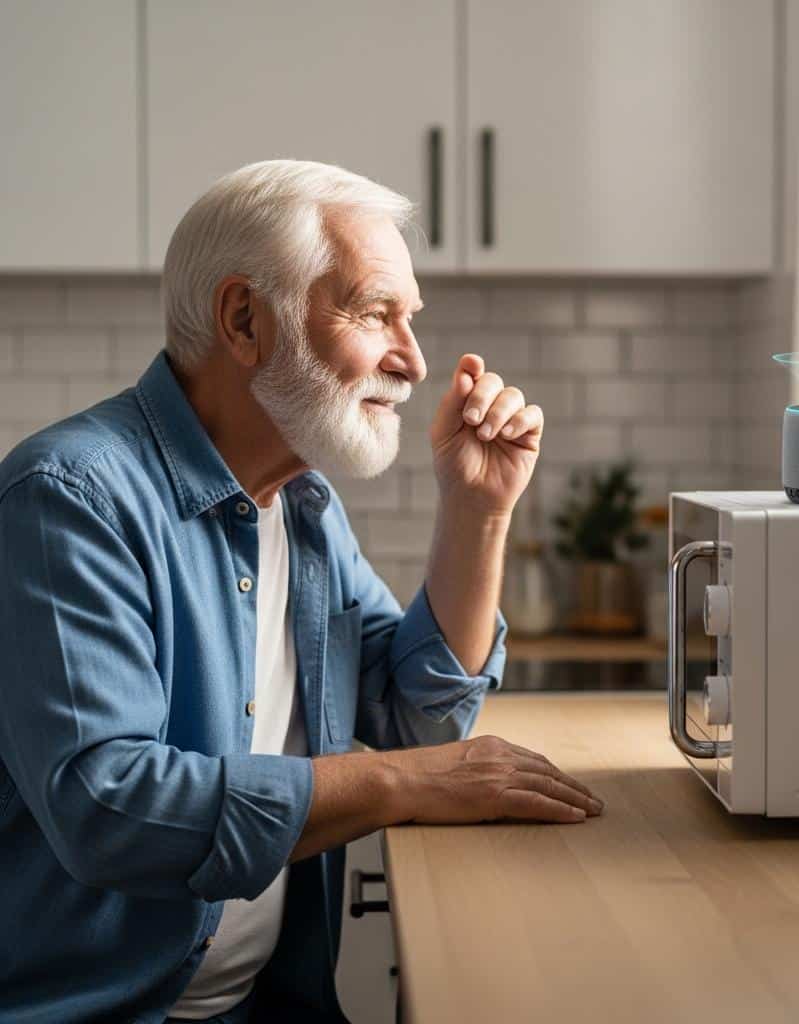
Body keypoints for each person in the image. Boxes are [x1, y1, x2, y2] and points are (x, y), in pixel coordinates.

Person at [0, 159, 603, 1024]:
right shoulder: (70, 499)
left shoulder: (301, 505)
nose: (413, 359)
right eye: (376, 313)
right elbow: (111, 807)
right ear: (245, 319)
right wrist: (403, 785)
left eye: (412, 320)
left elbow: (415, 718)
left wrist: (478, 510)